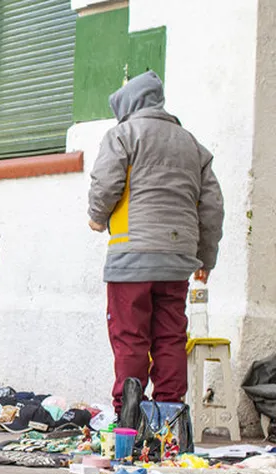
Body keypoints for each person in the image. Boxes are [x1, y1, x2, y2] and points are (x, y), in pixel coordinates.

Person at [87, 71, 224, 414]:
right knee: (171, 336)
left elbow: (106, 182)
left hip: (131, 256)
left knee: (130, 336)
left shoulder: (123, 134)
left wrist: (96, 216)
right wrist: (205, 259)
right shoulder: (192, 144)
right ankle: (170, 417)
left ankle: (130, 416)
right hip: (177, 260)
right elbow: (211, 206)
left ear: (129, 105)